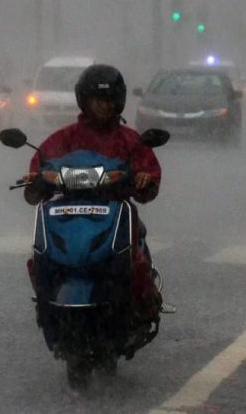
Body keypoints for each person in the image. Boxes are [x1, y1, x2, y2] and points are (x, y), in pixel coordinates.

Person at [22, 64, 162, 321]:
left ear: (119, 101)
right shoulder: (64, 138)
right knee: (40, 254)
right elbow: (41, 165)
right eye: (97, 99)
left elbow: (148, 172)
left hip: (113, 208)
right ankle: (45, 302)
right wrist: (34, 179)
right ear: (83, 100)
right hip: (67, 211)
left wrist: (145, 178)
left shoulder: (130, 140)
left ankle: (143, 304)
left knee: (135, 260)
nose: (103, 106)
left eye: (109, 100)